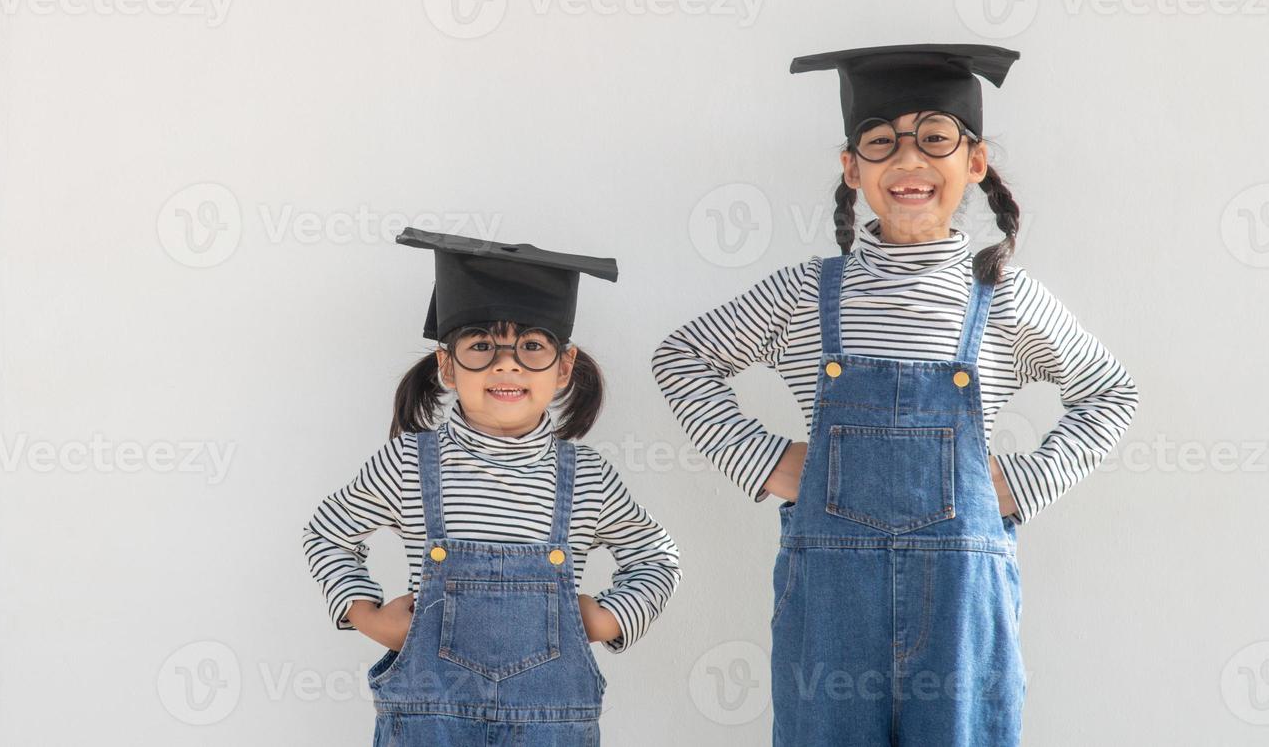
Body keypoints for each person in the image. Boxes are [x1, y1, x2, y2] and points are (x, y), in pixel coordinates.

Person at [651, 43, 1139, 746]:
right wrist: (760, 462)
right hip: (828, 605)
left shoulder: (1002, 298)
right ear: (852, 169)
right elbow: (684, 357)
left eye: (935, 138)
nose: (909, 161)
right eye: (882, 142)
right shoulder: (805, 293)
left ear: (974, 162)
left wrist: (1021, 482)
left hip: (962, 608)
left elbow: (1109, 395)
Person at [305, 227, 681, 745]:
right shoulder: (407, 463)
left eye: (531, 346)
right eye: (482, 345)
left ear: (564, 367)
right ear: (447, 366)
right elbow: (327, 534)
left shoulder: (589, 476)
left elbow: (656, 557)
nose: (507, 363)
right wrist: (365, 614)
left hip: (553, 729)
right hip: (428, 725)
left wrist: (611, 617)